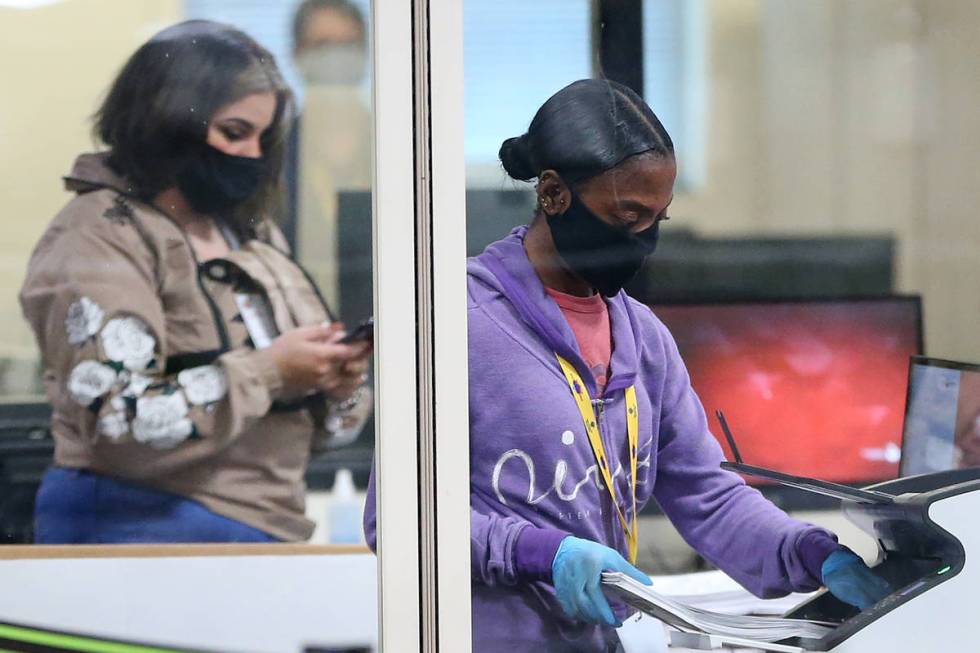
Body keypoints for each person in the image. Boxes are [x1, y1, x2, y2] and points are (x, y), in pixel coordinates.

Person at [364, 79, 890, 651]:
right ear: (553, 194)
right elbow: (396, 521)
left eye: (656, 221)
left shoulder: (642, 338)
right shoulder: (456, 323)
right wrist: (540, 553)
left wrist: (808, 552)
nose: (641, 239)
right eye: (626, 215)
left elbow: (707, 496)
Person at [19, 20, 372, 544]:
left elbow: (324, 428)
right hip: (136, 530)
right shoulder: (98, 234)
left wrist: (330, 379)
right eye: (234, 132)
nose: (252, 155)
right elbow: (119, 419)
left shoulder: (248, 232)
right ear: (167, 120)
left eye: (263, 137)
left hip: (265, 528)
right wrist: (272, 372)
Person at [285, 0, 372, 310]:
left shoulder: (400, 148)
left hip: (391, 333)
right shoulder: (272, 153)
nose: (337, 56)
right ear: (298, 55)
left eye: (349, 44)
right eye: (323, 45)